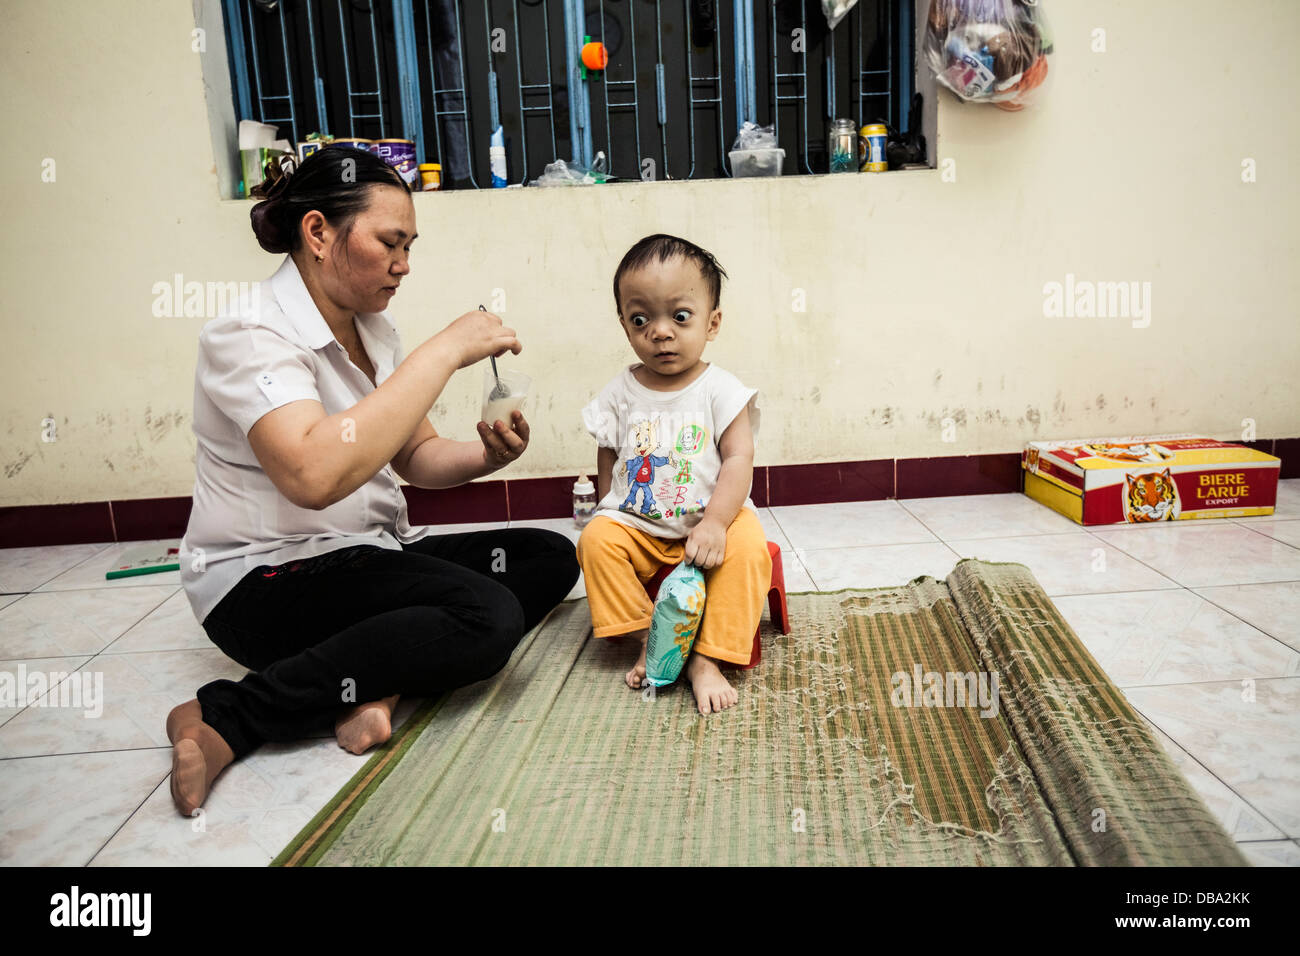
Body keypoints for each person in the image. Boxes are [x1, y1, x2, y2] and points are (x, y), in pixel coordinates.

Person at [170, 146, 578, 815]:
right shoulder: (247, 332)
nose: (404, 264)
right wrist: (444, 350)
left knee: (548, 555)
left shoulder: (373, 329)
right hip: (266, 585)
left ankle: (375, 680)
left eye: (410, 245)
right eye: (391, 242)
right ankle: (225, 717)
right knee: (488, 616)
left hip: (365, 561)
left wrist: (485, 457)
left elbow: (414, 458)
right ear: (319, 233)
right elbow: (311, 474)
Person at [575, 234, 771, 715]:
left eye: (679, 317)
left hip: (711, 518)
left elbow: (738, 460)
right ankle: (652, 636)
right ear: (624, 325)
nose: (660, 332)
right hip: (641, 524)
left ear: (712, 322)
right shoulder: (619, 392)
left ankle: (707, 659)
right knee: (594, 541)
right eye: (641, 319)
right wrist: (609, 507)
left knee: (749, 549)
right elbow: (607, 452)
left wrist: (716, 522)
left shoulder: (721, 390)